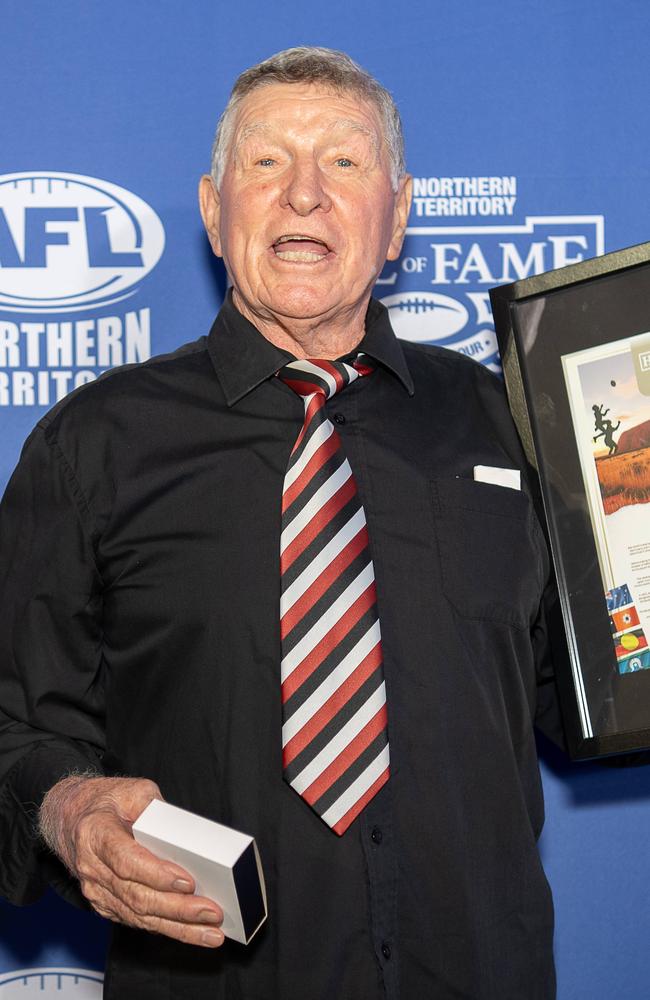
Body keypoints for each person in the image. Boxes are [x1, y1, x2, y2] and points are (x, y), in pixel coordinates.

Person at [0, 46, 562, 999]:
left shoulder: (514, 417)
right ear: (216, 212)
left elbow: (595, 683)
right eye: (267, 162)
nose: (305, 193)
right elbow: (13, 723)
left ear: (399, 219)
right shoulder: (93, 445)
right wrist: (65, 809)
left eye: (344, 161)